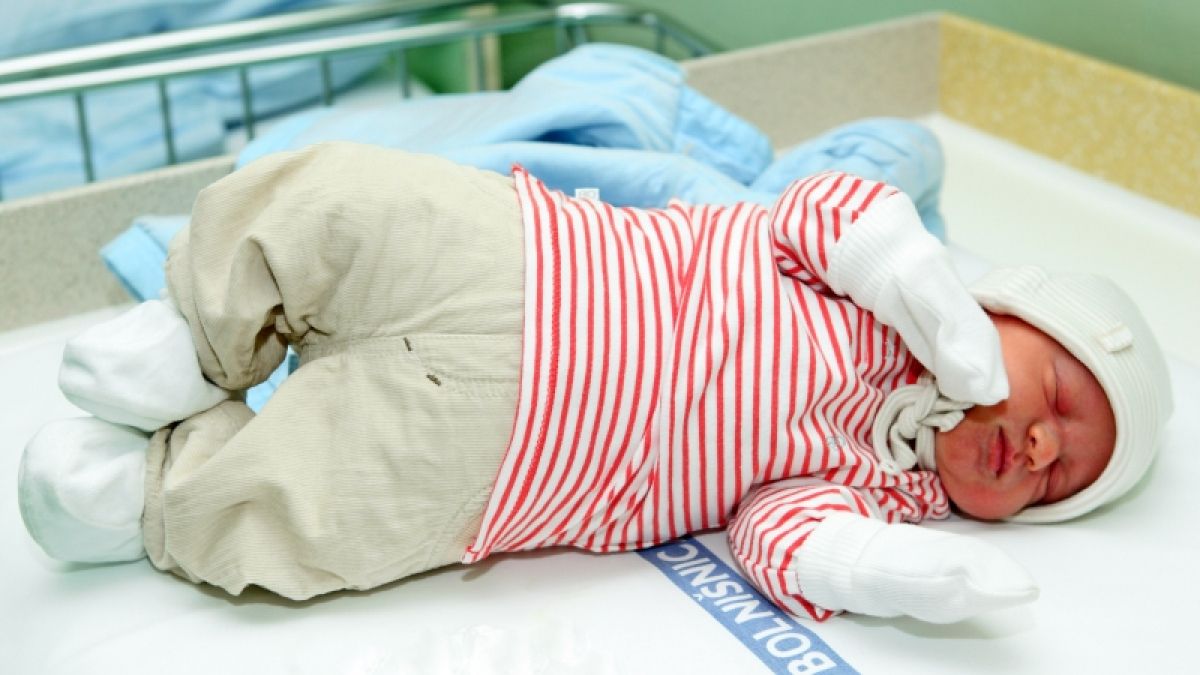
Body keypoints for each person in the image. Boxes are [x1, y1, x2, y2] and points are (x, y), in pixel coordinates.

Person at [17, 142, 1173, 624]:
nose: (1037, 449)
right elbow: (821, 208)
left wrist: (877, 568)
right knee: (346, 202)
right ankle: (199, 338)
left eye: (1057, 477)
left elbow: (774, 531)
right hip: (526, 259)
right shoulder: (887, 286)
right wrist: (908, 273)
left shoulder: (886, 495)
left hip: (510, 471)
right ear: (1009, 312)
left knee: (319, 515)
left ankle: (145, 496)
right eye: (1057, 403)